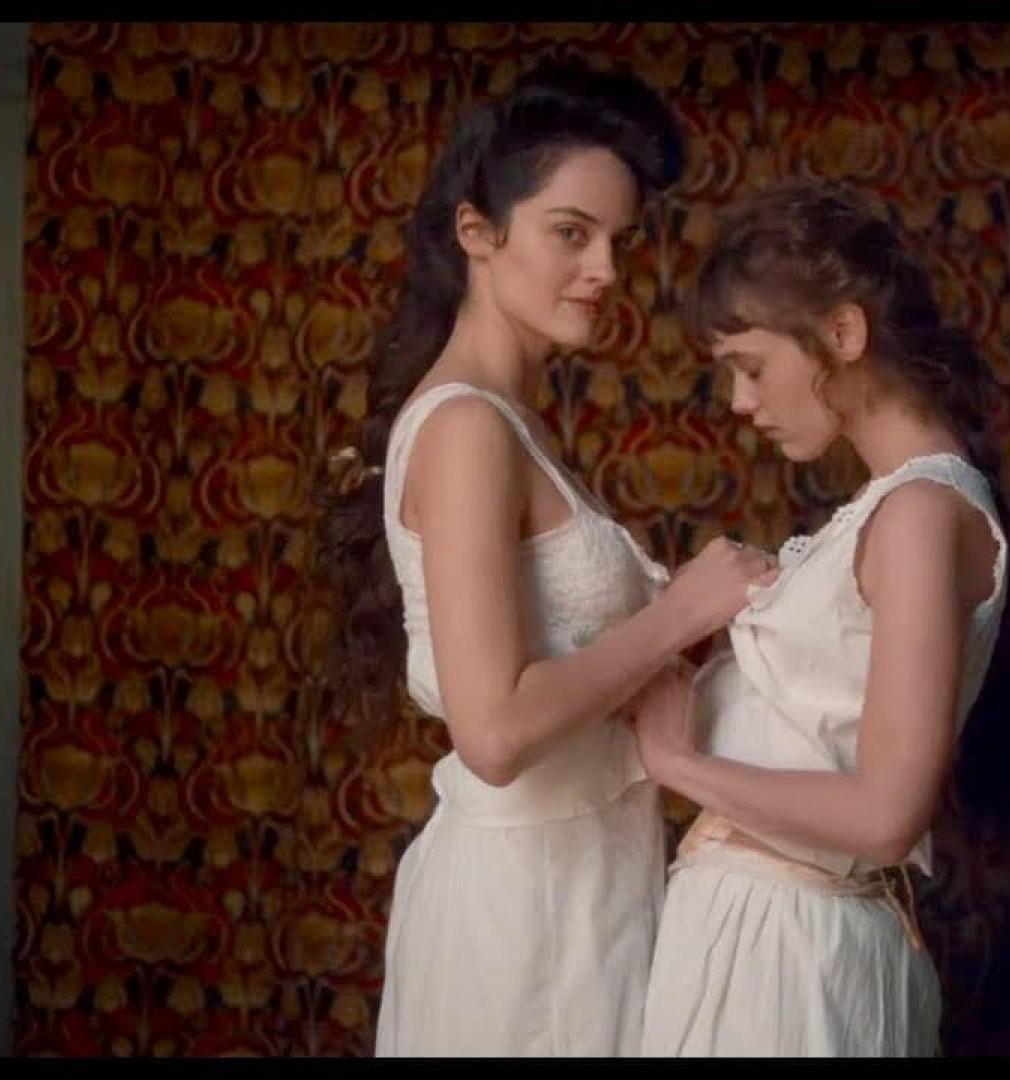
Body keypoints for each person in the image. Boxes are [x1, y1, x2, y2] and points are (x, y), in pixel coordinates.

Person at [315, 63, 777, 1057]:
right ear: (477, 231)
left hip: (585, 888)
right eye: (572, 233)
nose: (606, 268)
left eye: (619, 240)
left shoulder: (509, 423)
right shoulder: (467, 430)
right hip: (523, 917)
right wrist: (679, 612)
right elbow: (492, 731)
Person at [631, 180, 1010, 1056]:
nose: (739, 401)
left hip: (791, 955)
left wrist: (678, 763)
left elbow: (886, 813)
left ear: (843, 333)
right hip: (763, 936)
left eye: (752, 365)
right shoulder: (892, 511)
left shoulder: (920, 515)